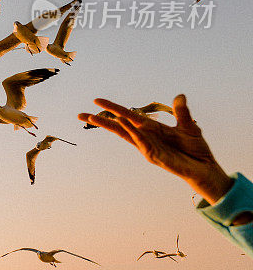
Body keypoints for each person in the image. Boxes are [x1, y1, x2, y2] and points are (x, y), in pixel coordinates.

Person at [78, 94, 253, 256]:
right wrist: (215, 183)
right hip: (213, 181)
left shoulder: (148, 108)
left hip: (147, 123)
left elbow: (159, 108)